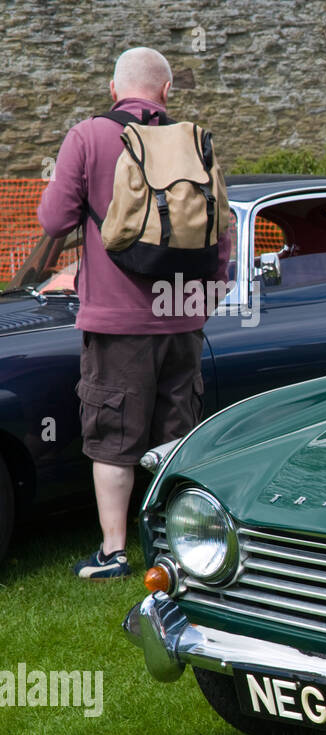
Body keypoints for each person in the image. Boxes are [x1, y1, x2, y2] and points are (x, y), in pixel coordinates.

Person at [36, 47, 230, 579]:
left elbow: (54, 220)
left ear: (113, 89)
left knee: (114, 436)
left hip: (117, 321)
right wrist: (205, 297)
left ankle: (114, 553)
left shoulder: (89, 135)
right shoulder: (196, 139)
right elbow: (222, 228)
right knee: (175, 432)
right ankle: (176, 549)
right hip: (184, 317)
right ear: (166, 92)